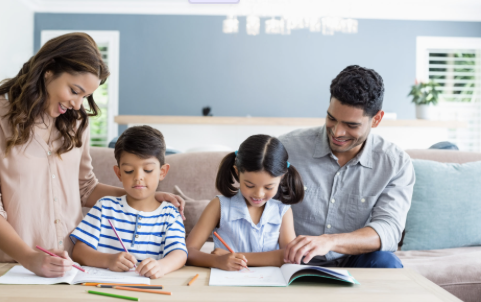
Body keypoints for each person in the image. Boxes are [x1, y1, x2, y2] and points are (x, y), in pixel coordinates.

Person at [0, 33, 185, 278]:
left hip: (69, 266)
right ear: (48, 70)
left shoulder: (76, 122)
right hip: (6, 265)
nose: (78, 105)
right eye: (74, 90)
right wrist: (29, 258)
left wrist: (144, 195)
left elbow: (85, 188)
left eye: (85, 96)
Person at [280, 65, 415, 268]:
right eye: (331, 118)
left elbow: (388, 230)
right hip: (292, 260)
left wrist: (330, 241)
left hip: (355, 260)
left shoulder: (395, 163)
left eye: (351, 125)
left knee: (387, 262)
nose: (337, 132)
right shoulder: (288, 149)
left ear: (376, 119)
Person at [70, 126, 187, 278]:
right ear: (118, 173)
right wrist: (108, 260)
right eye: (129, 171)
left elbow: (179, 253)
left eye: (148, 170)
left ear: (162, 172)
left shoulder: (170, 214)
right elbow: (79, 251)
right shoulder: (105, 207)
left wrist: (161, 266)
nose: (138, 177)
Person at [186, 135, 304, 270]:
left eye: (268, 187)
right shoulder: (219, 206)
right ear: (237, 172)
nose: (258, 194)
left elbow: (289, 257)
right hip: (225, 284)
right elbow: (188, 251)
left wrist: (238, 257)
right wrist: (217, 261)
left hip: (268, 285)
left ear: (281, 178)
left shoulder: (282, 211)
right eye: (249, 185)